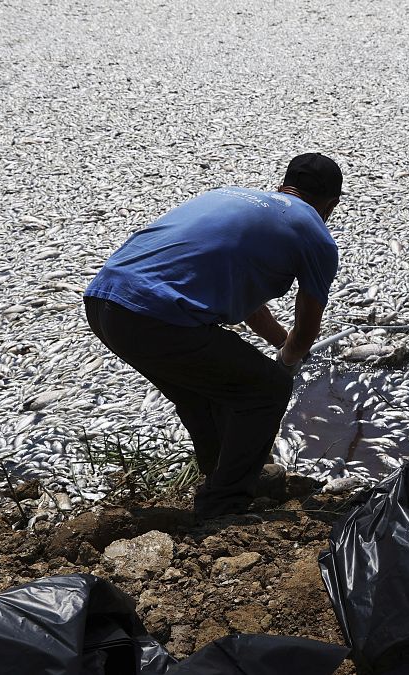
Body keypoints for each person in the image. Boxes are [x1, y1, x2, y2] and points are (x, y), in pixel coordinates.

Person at [84, 153, 342, 520]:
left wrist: (277, 341)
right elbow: (307, 330)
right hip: (157, 319)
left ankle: (221, 478)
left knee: (203, 393)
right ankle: (225, 505)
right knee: (266, 389)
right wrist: (286, 362)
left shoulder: (230, 196)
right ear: (332, 203)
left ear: (283, 184)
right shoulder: (316, 234)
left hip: (103, 302)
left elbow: (250, 305)